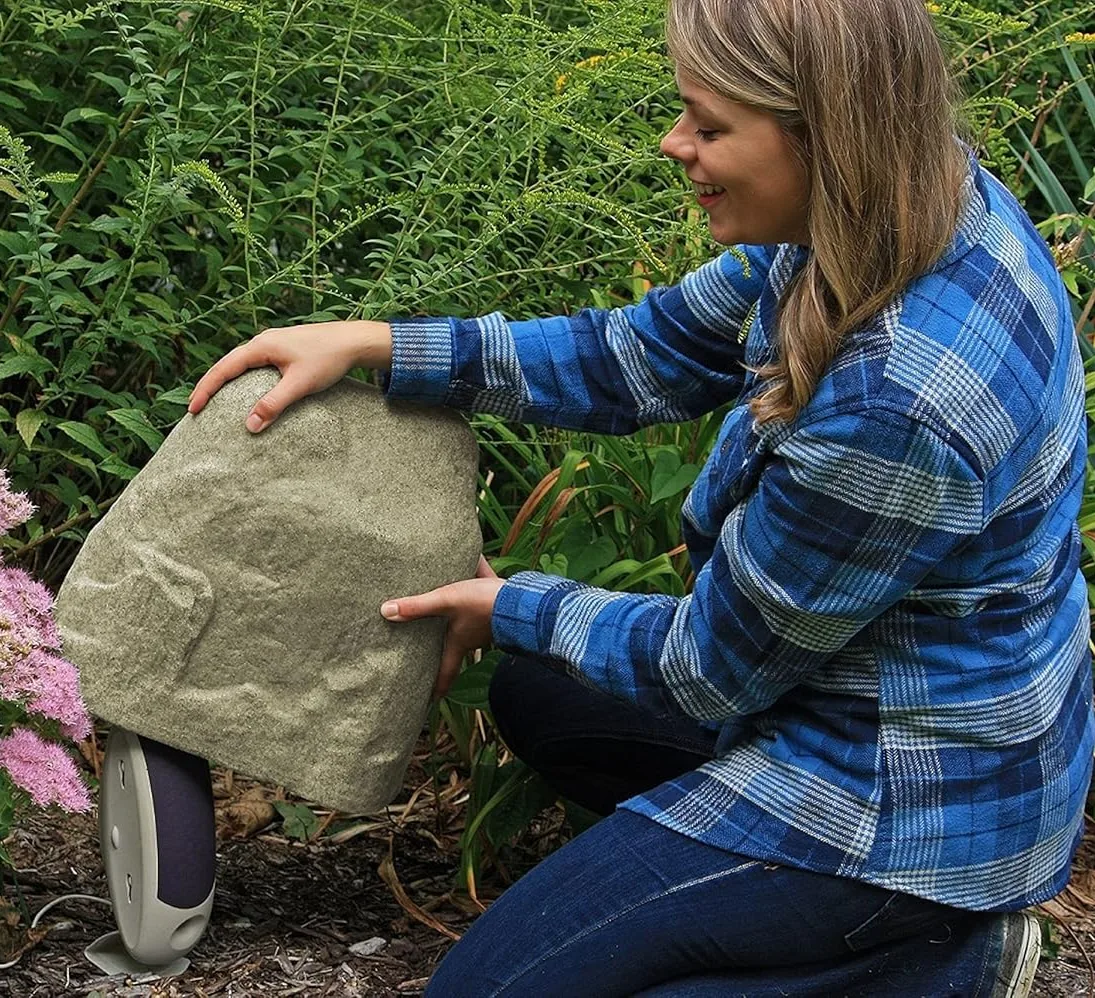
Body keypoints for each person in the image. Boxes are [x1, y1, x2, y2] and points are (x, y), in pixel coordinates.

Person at [187, 0, 1093, 993]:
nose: (674, 144)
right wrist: (381, 345)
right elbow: (639, 356)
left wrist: (511, 604)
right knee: (540, 691)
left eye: (709, 126)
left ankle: (938, 966)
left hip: (902, 801)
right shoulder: (892, 200)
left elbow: (709, 669)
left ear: (822, 132)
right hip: (853, 694)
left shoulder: (901, 401)